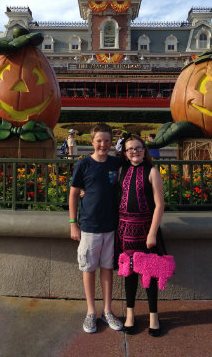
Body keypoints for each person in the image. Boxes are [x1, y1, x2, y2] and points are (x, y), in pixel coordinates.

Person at [69, 123, 123, 334]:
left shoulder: (116, 163)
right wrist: (73, 223)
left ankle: (107, 310)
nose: (103, 144)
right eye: (99, 141)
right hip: (89, 226)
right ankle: (91, 311)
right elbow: (74, 194)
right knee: (89, 269)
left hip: (110, 225)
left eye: (107, 141)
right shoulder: (83, 164)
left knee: (107, 268)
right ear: (92, 142)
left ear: (112, 143)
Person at [115, 134, 165, 337]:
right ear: (125, 154)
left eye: (138, 148)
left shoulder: (152, 171)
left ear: (144, 150)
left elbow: (160, 204)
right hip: (125, 230)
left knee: (150, 273)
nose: (134, 151)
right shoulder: (121, 170)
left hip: (146, 229)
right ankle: (130, 314)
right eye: (130, 149)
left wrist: (152, 233)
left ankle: (154, 316)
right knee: (129, 273)